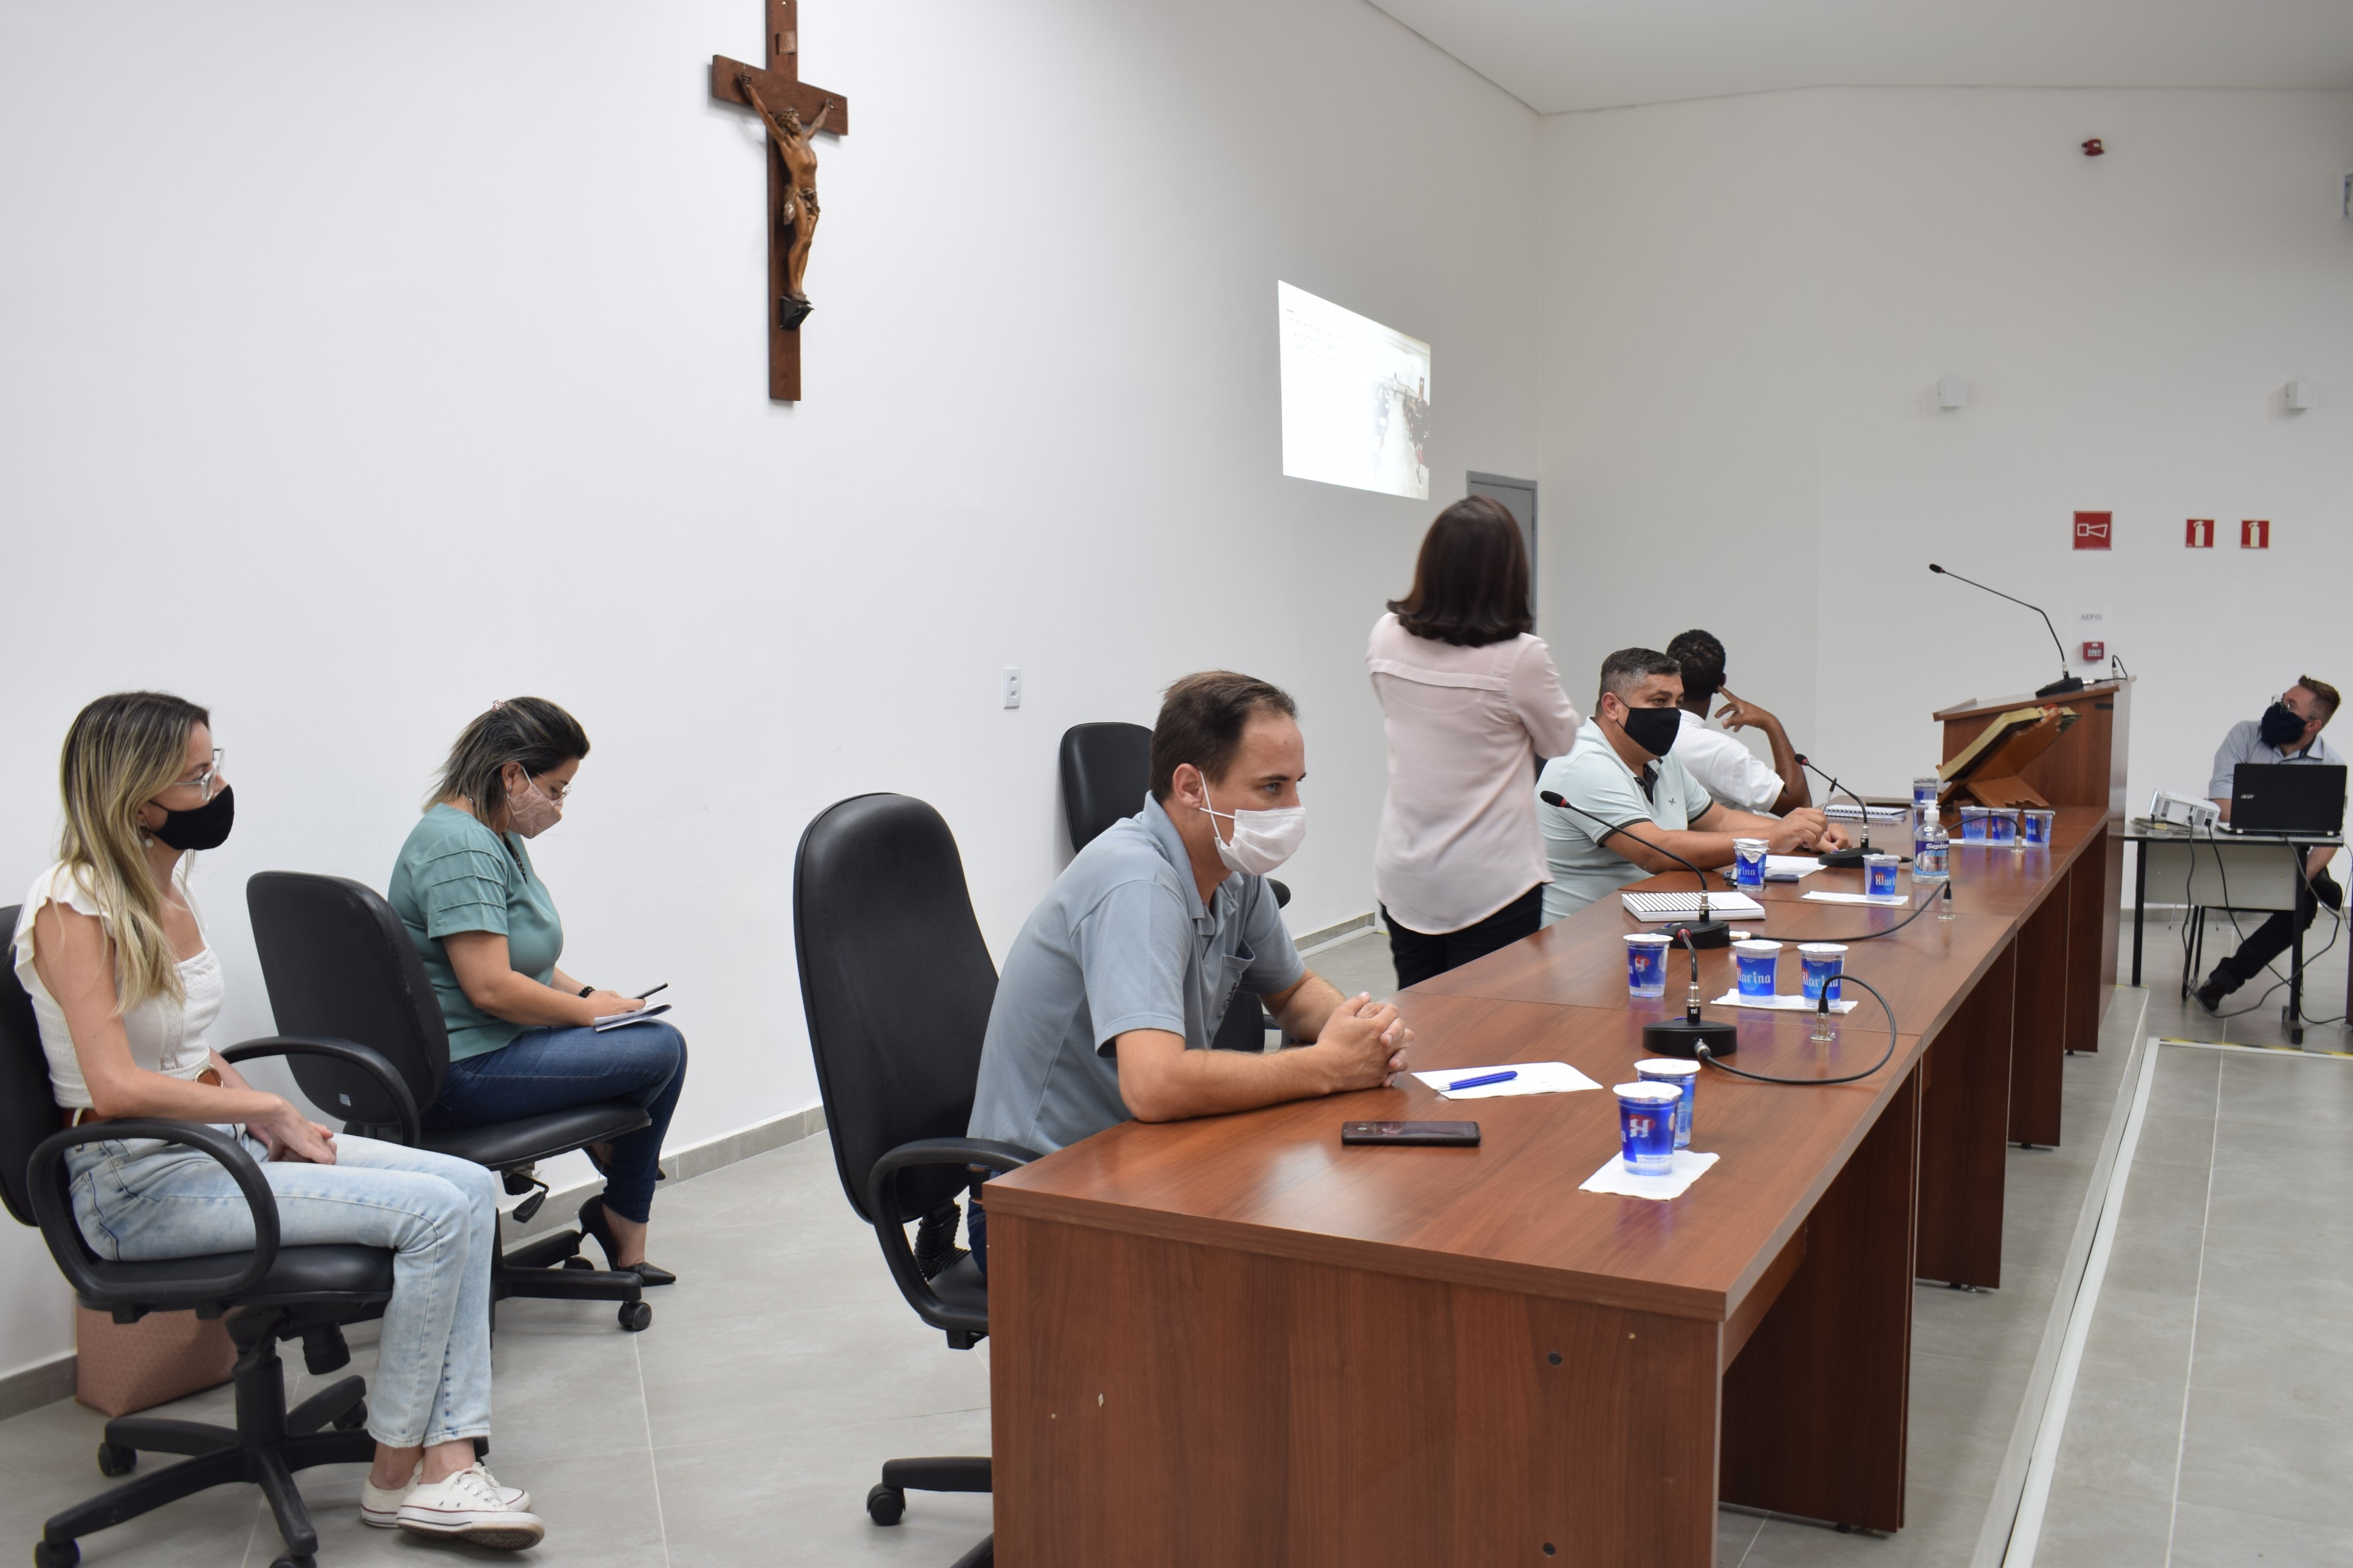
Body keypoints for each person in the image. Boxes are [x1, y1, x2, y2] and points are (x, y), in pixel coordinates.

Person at [12, 694, 543, 1547]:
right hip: (134, 1187)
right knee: (436, 1214)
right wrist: (257, 1103)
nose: (218, 784)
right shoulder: (75, 906)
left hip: (209, 1151)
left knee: (469, 1187)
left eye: (215, 762)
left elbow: (182, 1047)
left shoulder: (161, 882)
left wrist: (269, 1114)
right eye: (197, 774)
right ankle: (406, 1467)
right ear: (137, 793)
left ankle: (446, 1459)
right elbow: (111, 1087)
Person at [964, 672, 1414, 1267]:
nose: (1292, 811)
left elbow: (1295, 989)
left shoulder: (1231, 869)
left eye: (1296, 786)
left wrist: (1362, 1029)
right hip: (1036, 1196)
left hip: (1137, 1159)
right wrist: (1329, 1066)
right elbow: (1153, 1086)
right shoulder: (1137, 883)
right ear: (1190, 786)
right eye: (1271, 788)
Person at [390, 699, 686, 1286]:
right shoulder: (461, 848)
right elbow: (492, 987)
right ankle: (620, 1208)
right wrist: (583, 1015)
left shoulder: (494, 832)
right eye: (555, 789)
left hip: (487, 1047)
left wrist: (597, 998)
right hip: (463, 1071)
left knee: (644, 1037)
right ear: (511, 774)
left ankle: (616, 1186)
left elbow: (526, 959)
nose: (557, 806)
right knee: (663, 1051)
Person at [1368, 496, 1581, 987]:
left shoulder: (1385, 635)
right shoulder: (1521, 656)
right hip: (1492, 880)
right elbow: (1560, 739)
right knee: (1490, 1029)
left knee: (1418, 1015)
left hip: (1406, 869)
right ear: (1509, 573)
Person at [1536, 649, 1849, 921]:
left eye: (1678, 702)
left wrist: (1805, 834)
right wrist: (1771, 837)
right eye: (1659, 701)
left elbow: (1719, 820)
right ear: (1612, 706)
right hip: (1584, 938)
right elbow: (1655, 851)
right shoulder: (1585, 763)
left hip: (1654, 915)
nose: (1673, 713)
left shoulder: (1659, 756)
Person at [2193, 677, 2345, 1015]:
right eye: (2282, 700)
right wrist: (2287, 819)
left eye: (2291, 706)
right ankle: (2320, 884)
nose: (2280, 708)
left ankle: (2224, 980)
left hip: (2290, 862)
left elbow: (2330, 837)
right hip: (2235, 853)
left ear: (2313, 725)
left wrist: (2305, 875)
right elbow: (2221, 802)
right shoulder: (2245, 735)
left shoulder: (2330, 767)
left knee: (2302, 908)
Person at [1663, 629, 1810, 816]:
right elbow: (1798, 806)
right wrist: (1770, 723)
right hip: (1726, 844)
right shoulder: (1715, 750)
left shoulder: (1644, 733)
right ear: (1721, 682)